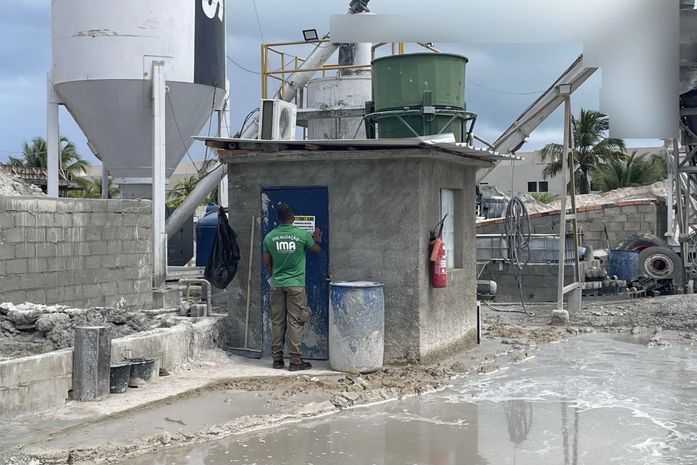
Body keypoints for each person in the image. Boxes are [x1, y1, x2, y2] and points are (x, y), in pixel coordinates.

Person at [262, 203, 322, 371]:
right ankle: (295, 361)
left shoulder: (269, 237)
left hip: (277, 285)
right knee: (295, 321)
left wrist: (276, 275)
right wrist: (317, 240)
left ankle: (277, 360)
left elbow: (266, 263)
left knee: (278, 322)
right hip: (296, 285)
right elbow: (316, 250)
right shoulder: (302, 235)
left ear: (278, 218)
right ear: (292, 217)